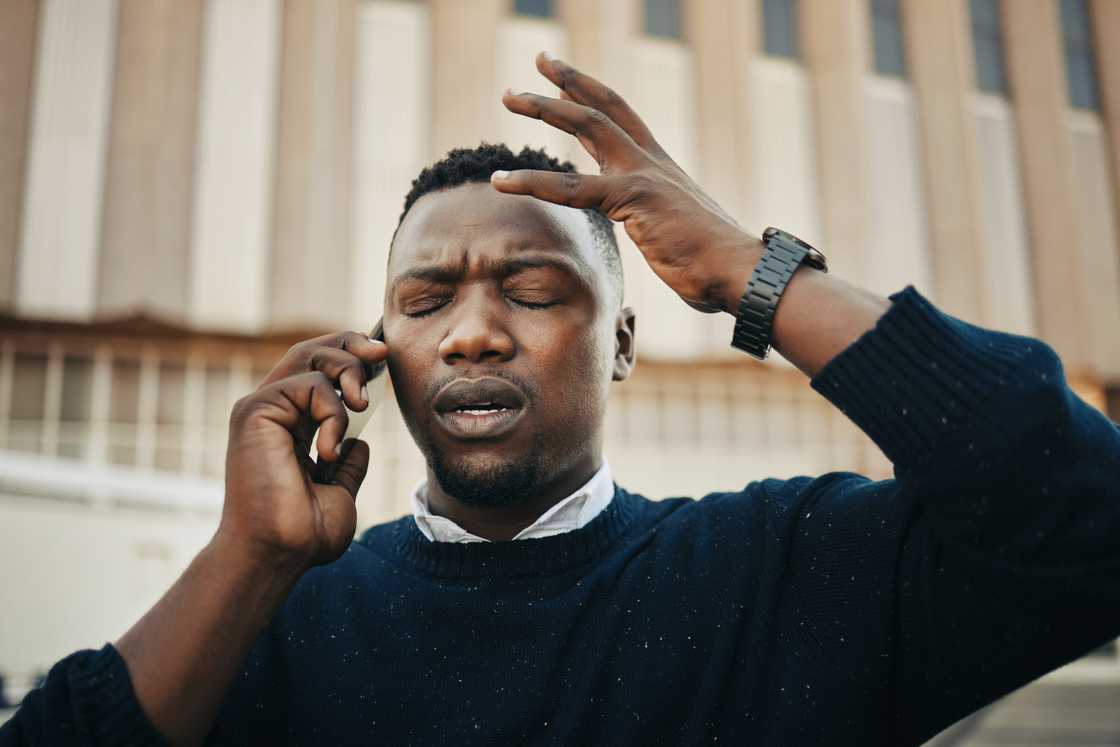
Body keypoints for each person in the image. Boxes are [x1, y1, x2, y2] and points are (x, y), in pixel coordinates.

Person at [3, 52, 1119, 747]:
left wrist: (751, 272)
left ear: (622, 343)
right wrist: (244, 561)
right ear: (379, 348)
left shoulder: (783, 571)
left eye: (533, 291)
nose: (476, 328)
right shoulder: (273, 619)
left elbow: (1088, 515)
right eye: (426, 297)